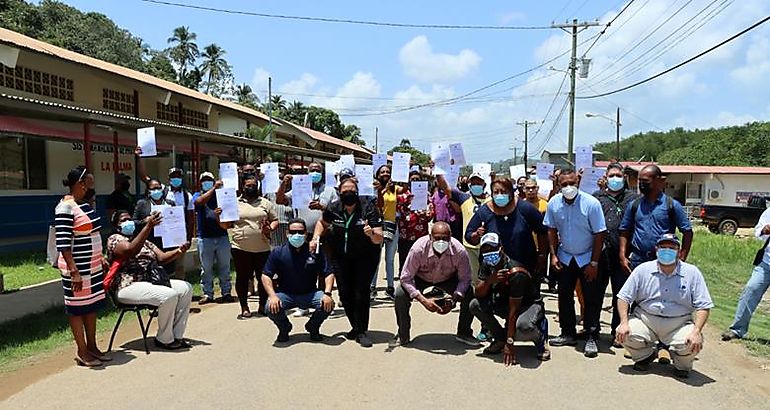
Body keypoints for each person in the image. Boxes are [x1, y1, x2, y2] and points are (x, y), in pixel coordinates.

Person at [615, 233, 713, 378]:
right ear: (656, 250)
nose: (667, 250)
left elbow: (703, 305)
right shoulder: (643, 270)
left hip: (679, 322)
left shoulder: (692, 273)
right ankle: (645, 356)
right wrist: (623, 322)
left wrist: (696, 331)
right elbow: (623, 297)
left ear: (679, 252)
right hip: (646, 319)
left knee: (692, 342)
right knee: (625, 333)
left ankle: (681, 364)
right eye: (663, 247)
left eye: (672, 247)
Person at [312, 177, 383, 347]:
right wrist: (315, 237)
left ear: (357, 192)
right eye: (345, 191)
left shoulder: (368, 208)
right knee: (344, 293)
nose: (348, 193)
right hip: (341, 257)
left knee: (360, 293)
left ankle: (361, 331)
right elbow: (322, 222)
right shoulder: (334, 207)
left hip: (365, 258)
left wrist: (371, 233)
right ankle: (355, 326)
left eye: (352, 190)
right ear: (339, 192)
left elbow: (379, 238)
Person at [107, 210, 193, 350]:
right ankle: (164, 339)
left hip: (149, 282)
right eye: (123, 220)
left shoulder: (143, 241)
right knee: (168, 295)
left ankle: (177, 335)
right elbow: (130, 250)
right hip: (127, 286)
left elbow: (162, 257)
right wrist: (148, 227)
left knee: (185, 288)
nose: (128, 222)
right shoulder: (114, 239)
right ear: (117, 226)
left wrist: (179, 250)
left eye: (129, 219)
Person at [543, 169, 607, 358]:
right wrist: (553, 255)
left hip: (588, 257)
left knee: (590, 297)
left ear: (578, 181)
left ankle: (591, 335)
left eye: (572, 183)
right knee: (564, 295)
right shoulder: (554, 203)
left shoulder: (591, 204)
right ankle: (567, 332)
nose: (568, 187)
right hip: (565, 256)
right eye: (564, 184)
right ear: (558, 184)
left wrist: (594, 263)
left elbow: (599, 234)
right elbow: (551, 230)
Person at [390, 222, 477, 347]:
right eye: (437, 238)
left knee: (469, 292)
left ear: (450, 236)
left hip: (448, 278)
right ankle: (403, 335)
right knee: (400, 294)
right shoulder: (418, 249)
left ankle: (464, 332)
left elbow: (465, 279)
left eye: (445, 238)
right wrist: (423, 300)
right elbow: (406, 278)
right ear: (430, 237)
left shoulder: (459, 251)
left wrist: (453, 301)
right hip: (421, 278)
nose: (441, 242)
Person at [55, 166, 109, 367]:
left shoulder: (82, 204)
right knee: (77, 309)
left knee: (91, 306)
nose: (89, 187)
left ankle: (93, 346)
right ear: (79, 184)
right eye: (87, 183)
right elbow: (63, 242)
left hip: (93, 267)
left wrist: (100, 256)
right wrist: (74, 271)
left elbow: (92, 232)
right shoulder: (65, 208)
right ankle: (82, 350)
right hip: (78, 269)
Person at [470, 233, 550, 365]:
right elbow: (478, 294)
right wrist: (490, 280)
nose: (489, 253)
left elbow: (514, 311)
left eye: (492, 249)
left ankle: (540, 337)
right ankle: (499, 338)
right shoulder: (486, 263)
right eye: (485, 250)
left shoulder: (516, 272)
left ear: (501, 248)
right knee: (475, 305)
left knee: (523, 327)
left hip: (526, 305)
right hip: (503, 301)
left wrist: (510, 342)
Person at [262, 219, 336, 343]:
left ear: (306, 234)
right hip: (286, 294)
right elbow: (266, 275)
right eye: (293, 232)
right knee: (270, 307)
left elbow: (328, 273)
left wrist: (327, 293)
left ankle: (313, 327)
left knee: (328, 304)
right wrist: (272, 296)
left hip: (310, 293)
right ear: (287, 233)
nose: (297, 235)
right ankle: (284, 328)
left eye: (300, 232)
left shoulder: (314, 252)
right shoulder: (278, 252)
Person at [217, 174, 278, 319]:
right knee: (243, 277)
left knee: (263, 277)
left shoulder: (265, 203)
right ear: (242, 186)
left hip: (262, 247)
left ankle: (263, 305)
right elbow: (225, 225)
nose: (251, 188)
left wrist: (270, 228)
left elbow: (275, 220)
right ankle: (244, 306)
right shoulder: (234, 203)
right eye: (248, 185)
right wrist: (218, 217)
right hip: (240, 247)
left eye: (254, 185)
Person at [593, 163, 640, 347]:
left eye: (618, 175)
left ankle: (617, 332)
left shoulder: (634, 199)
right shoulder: (597, 198)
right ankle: (593, 330)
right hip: (600, 254)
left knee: (621, 295)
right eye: (611, 175)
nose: (615, 179)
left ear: (624, 177)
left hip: (624, 256)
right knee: (595, 294)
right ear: (606, 176)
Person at [465, 177, 548, 277]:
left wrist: (542, 256)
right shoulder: (484, 211)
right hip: (494, 270)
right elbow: (469, 235)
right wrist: (476, 235)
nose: (500, 195)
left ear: (511, 192)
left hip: (525, 266)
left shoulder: (525, 208)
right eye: (496, 192)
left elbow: (542, 231)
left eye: (503, 192)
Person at [619, 164, 693, 273]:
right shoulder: (634, 205)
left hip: (664, 259)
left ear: (658, 181)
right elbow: (624, 231)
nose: (641, 184)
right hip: (638, 260)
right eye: (640, 181)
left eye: (645, 181)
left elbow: (687, 232)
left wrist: (682, 257)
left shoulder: (672, 205)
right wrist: (622, 255)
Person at [722, 206, 770, 341]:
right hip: (766, 263)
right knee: (751, 289)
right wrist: (764, 230)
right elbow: (758, 231)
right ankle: (737, 330)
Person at [136, 149, 194, 243]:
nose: (176, 178)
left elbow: (191, 219)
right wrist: (139, 157)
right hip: (159, 230)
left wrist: (189, 237)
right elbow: (144, 177)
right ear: (169, 178)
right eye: (173, 176)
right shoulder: (162, 190)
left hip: (177, 233)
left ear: (182, 178)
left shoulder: (188, 196)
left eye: (178, 176)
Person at [193, 172, 233, 305]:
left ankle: (226, 292)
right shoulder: (198, 196)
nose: (207, 182)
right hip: (205, 238)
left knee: (224, 266)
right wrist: (214, 188)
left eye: (209, 180)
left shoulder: (222, 196)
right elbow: (199, 203)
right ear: (200, 183)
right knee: (206, 267)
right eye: (204, 180)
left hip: (222, 236)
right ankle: (207, 293)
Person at [276, 162, 339, 233]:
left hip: (324, 233)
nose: (315, 173)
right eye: (312, 171)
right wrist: (284, 183)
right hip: (302, 234)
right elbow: (280, 201)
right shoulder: (299, 188)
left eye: (318, 171)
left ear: (322, 173)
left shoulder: (330, 190)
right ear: (308, 172)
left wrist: (322, 207)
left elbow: (337, 211)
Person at [372, 164, 404, 299]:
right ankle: (372, 287)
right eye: (382, 172)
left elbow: (406, 189)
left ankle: (390, 287)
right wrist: (382, 189)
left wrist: (403, 171)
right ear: (377, 175)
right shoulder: (373, 188)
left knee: (390, 259)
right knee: (375, 258)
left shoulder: (395, 189)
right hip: (377, 227)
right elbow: (376, 204)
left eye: (388, 172)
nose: (385, 174)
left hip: (392, 226)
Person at [133, 178, 177, 274]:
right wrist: (146, 220)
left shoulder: (170, 204)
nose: (156, 191)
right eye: (153, 189)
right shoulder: (142, 204)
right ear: (148, 191)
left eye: (158, 188)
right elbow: (135, 222)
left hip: (167, 244)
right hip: (151, 243)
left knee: (169, 272)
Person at [397, 170, 433, 274]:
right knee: (404, 263)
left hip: (421, 236)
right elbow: (398, 211)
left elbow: (430, 213)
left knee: (421, 263)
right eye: (413, 179)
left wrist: (426, 214)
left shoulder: (426, 195)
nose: (415, 181)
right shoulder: (402, 195)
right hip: (405, 235)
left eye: (417, 179)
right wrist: (406, 202)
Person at [431, 177, 462, 242]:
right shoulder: (435, 195)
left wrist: (450, 200)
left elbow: (458, 210)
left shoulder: (455, 193)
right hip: (439, 224)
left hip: (452, 225)